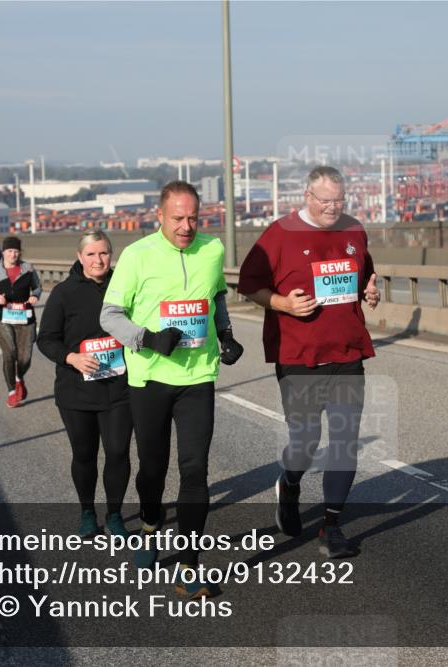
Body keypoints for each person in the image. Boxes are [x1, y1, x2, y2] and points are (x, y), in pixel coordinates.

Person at [101, 181, 243, 599]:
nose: (186, 226)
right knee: (152, 470)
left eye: (193, 218)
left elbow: (216, 296)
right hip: (149, 378)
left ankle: (188, 565)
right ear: (159, 216)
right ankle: (148, 525)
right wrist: (146, 338)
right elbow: (110, 315)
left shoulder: (212, 250)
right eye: (177, 218)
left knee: (195, 470)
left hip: (198, 375)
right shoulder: (137, 255)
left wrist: (226, 333)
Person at [238, 165, 380, 559]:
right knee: (306, 440)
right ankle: (291, 480)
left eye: (339, 200)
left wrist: (371, 290)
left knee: (345, 442)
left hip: (348, 352)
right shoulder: (280, 234)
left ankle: (331, 526)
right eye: (325, 201)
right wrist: (282, 303)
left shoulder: (353, 230)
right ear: (307, 197)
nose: (333, 207)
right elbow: (248, 284)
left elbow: (365, 274)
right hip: (298, 354)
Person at [38, 231, 133, 538]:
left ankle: (115, 515)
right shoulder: (64, 293)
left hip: (119, 388)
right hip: (76, 390)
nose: (98, 260)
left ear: (111, 255)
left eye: (103, 253)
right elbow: (46, 339)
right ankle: (87, 512)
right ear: (80, 258)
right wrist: (71, 358)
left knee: (118, 452)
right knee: (84, 454)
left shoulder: (124, 287)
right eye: (91, 254)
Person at [0, 236, 42, 408]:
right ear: (3, 252)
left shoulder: (28, 268)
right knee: (10, 353)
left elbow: (37, 287)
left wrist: (34, 296)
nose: (13, 254)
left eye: (16, 251)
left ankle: (19, 377)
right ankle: (11, 392)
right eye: (10, 251)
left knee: (25, 358)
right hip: (2, 317)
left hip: (25, 318)